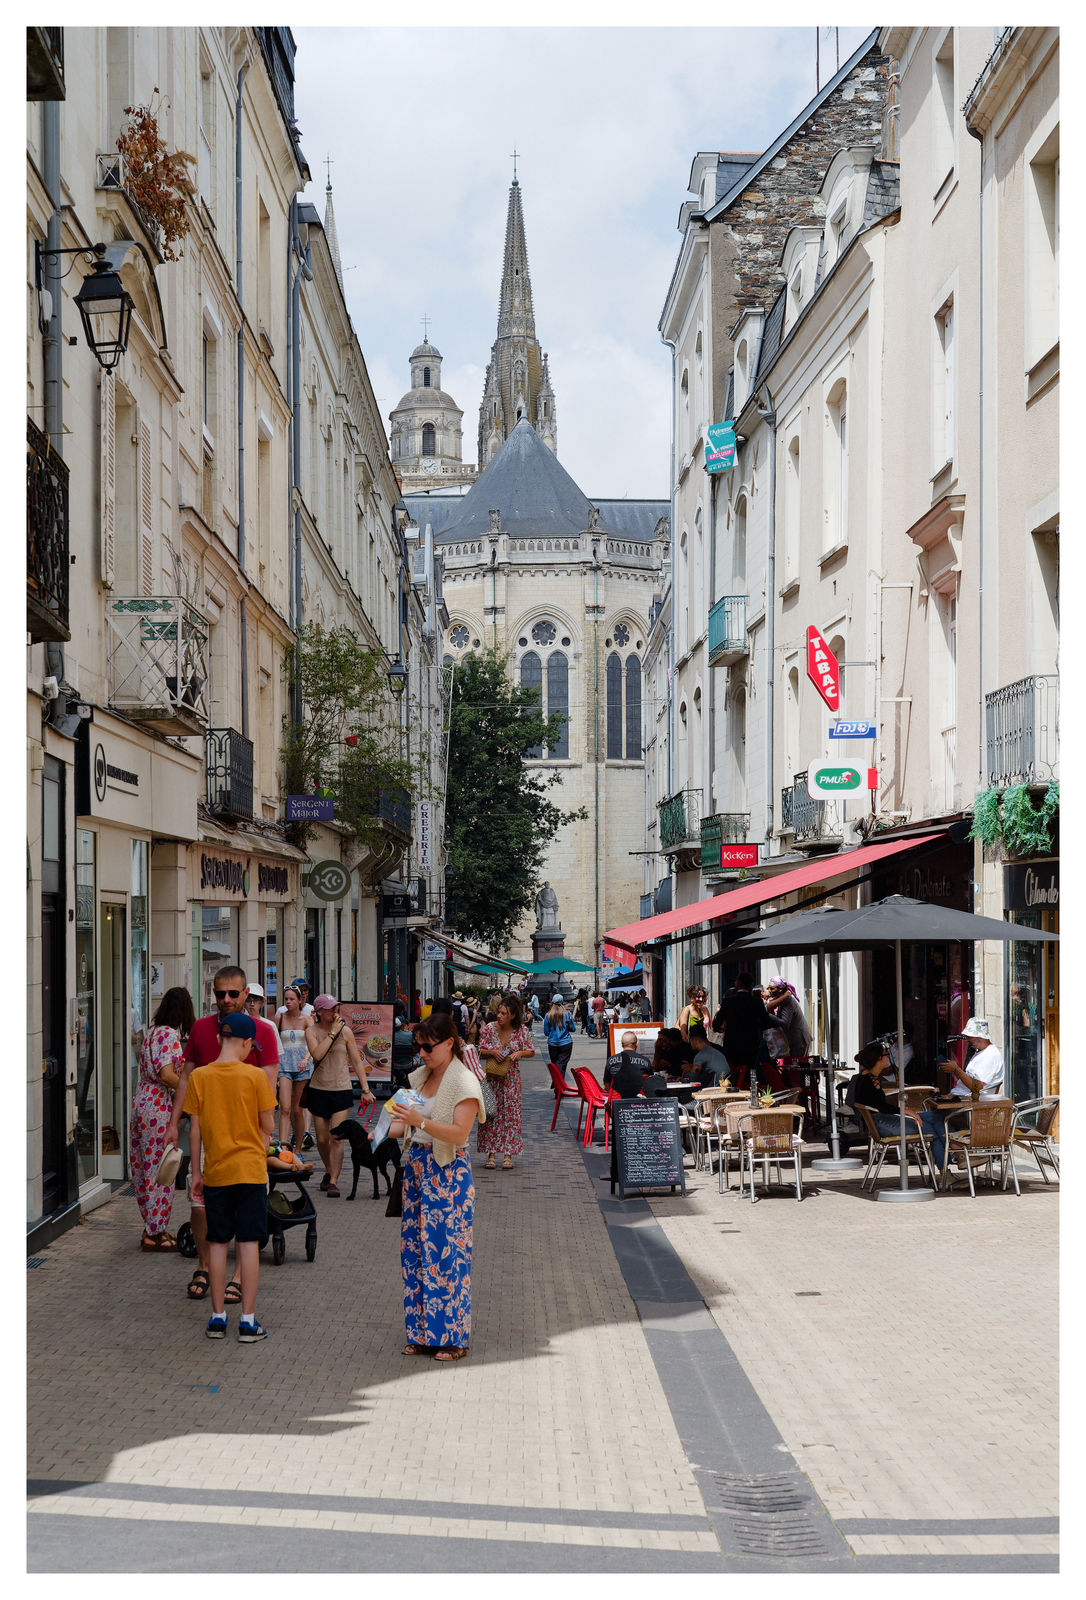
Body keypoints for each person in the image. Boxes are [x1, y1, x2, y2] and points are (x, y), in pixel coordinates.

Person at [165, 965, 281, 1303]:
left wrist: (264, 1140)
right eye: (220, 993)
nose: (226, 999)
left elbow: (269, 1084)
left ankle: (238, 1277)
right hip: (209, 1134)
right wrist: (173, 1123)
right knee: (199, 1206)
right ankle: (203, 1267)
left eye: (233, 993)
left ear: (246, 994)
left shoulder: (261, 1031)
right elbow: (185, 1078)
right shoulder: (201, 1029)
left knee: (246, 1212)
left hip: (248, 1138)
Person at [394, 1012, 486, 1362]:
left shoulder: (464, 1081)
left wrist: (420, 1121)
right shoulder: (419, 1077)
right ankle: (420, 1334)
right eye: (418, 1047)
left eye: (428, 1047)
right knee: (416, 1253)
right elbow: (399, 1123)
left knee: (448, 1255)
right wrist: (379, 1131)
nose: (422, 1053)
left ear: (449, 1043)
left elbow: (460, 1134)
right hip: (417, 1170)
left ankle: (453, 1337)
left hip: (447, 1172)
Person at [183, 1009, 278, 1342]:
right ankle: (248, 1321)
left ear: (219, 1038)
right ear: (247, 1043)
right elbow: (268, 1125)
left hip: (216, 1171)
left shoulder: (200, 1077)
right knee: (248, 1243)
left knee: (218, 1242)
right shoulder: (255, 1077)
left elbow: (194, 1131)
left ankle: (217, 1317)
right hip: (250, 1171)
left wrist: (197, 1172)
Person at [130, 986, 194, 1251]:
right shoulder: (169, 1034)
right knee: (161, 1169)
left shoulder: (152, 1031)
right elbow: (167, 1074)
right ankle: (155, 1233)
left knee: (144, 1167)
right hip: (158, 1104)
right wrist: (188, 1091)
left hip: (142, 1100)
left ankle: (152, 1227)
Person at [304, 995, 376, 1197]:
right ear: (319, 1012)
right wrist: (332, 1033)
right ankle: (328, 1170)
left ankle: (333, 1180)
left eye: (335, 1007)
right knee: (322, 1139)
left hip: (341, 1089)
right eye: (329, 1009)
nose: (333, 1011)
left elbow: (356, 1061)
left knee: (336, 1138)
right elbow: (317, 1054)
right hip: (318, 1089)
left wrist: (366, 1089)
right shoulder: (311, 1031)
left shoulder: (346, 1031)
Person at [851, 1041, 945, 1173]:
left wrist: (907, 1112)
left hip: (881, 1120)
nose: (888, 1057)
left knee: (935, 1116)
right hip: (882, 1123)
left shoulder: (866, 1076)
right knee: (929, 1129)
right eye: (886, 1054)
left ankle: (952, 1148)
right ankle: (945, 1170)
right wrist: (906, 1111)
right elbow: (882, 1107)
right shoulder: (872, 1080)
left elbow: (878, 1105)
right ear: (879, 1059)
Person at [477, 991, 534, 1171]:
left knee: (511, 1116)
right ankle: (491, 1153)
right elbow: (479, 1050)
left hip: (511, 1080)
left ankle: (508, 1154)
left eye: (504, 1013)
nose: (499, 1016)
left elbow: (531, 1050)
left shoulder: (521, 1031)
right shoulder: (489, 1029)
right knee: (491, 1115)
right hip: (492, 1079)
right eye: (499, 1012)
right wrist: (492, 1052)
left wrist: (520, 1053)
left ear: (513, 1015)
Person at [714, 973, 775, 1091]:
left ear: (738, 983)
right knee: (749, 1075)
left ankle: (733, 1093)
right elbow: (766, 1023)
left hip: (731, 1045)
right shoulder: (756, 1002)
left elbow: (716, 1024)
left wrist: (721, 1028)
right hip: (751, 1045)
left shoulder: (728, 1001)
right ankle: (748, 1094)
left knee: (733, 1074)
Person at [275, 985, 312, 1146]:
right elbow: (274, 1043)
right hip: (284, 1066)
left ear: (299, 1001)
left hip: (302, 1067)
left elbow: (314, 1043)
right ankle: (283, 1146)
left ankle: (298, 1147)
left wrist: (306, 1058)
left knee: (297, 1110)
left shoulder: (307, 1019)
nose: (288, 1002)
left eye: (291, 999)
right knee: (285, 1107)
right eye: (286, 999)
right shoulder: (279, 1018)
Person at [940, 1017, 1005, 1100]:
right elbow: (971, 1080)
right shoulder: (981, 1052)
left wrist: (956, 1069)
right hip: (961, 1097)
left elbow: (977, 1087)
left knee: (925, 1104)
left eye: (969, 1036)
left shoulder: (991, 1055)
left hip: (969, 1101)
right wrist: (953, 1069)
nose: (967, 1039)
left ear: (980, 1036)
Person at [763, 977, 812, 1057]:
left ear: (780, 990)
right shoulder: (781, 999)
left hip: (798, 1041)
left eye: (772, 988)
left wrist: (770, 1017)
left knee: (796, 1063)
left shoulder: (787, 1001)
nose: (769, 990)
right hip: (792, 1039)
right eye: (768, 988)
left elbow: (785, 1023)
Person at [605, 1031, 653, 1096]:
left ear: (621, 1044)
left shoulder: (611, 1060)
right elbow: (650, 1082)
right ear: (637, 1044)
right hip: (639, 1099)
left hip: (617, 1099)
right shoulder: (645, 1061)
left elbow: (607, 1084)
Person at [687, 1022, 729, 1088]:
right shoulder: (714, 1051)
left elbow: (692, 1078)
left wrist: (684, 1077)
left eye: (690, 1040)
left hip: (717, 1088)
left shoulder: (701, 1055)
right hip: (726, 1085)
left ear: (694, 1040)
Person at [543, 995, 575, 1078]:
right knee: (562, 1065)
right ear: (562, 1003)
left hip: (553, 1043)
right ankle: (558, 1082)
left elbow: (546, 1032)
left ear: (552, 1003)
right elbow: (573, 1028)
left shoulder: (548, 1015)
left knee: (555, 1065)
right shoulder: (567, 1014)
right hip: (566, 1042)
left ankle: (557, 1082)